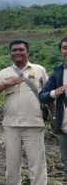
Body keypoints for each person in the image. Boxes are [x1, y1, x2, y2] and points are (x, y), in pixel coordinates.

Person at [0, 39, 48, 185]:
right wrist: (5, 83)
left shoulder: (39, 70)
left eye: (21, 49)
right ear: (10, 53)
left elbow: (48, 95)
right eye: (14, 50)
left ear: (27, 52)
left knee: (37, 164)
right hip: (11, 125)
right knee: (12, 165)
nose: (17, 53)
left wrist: (53, 116)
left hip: (34, 124)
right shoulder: (4, 73)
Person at [39, 37, 67, 175]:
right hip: (65, 129)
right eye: (65, 48)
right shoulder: (57, 72)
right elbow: (42, 96)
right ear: (61, 51)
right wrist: (55, 92)